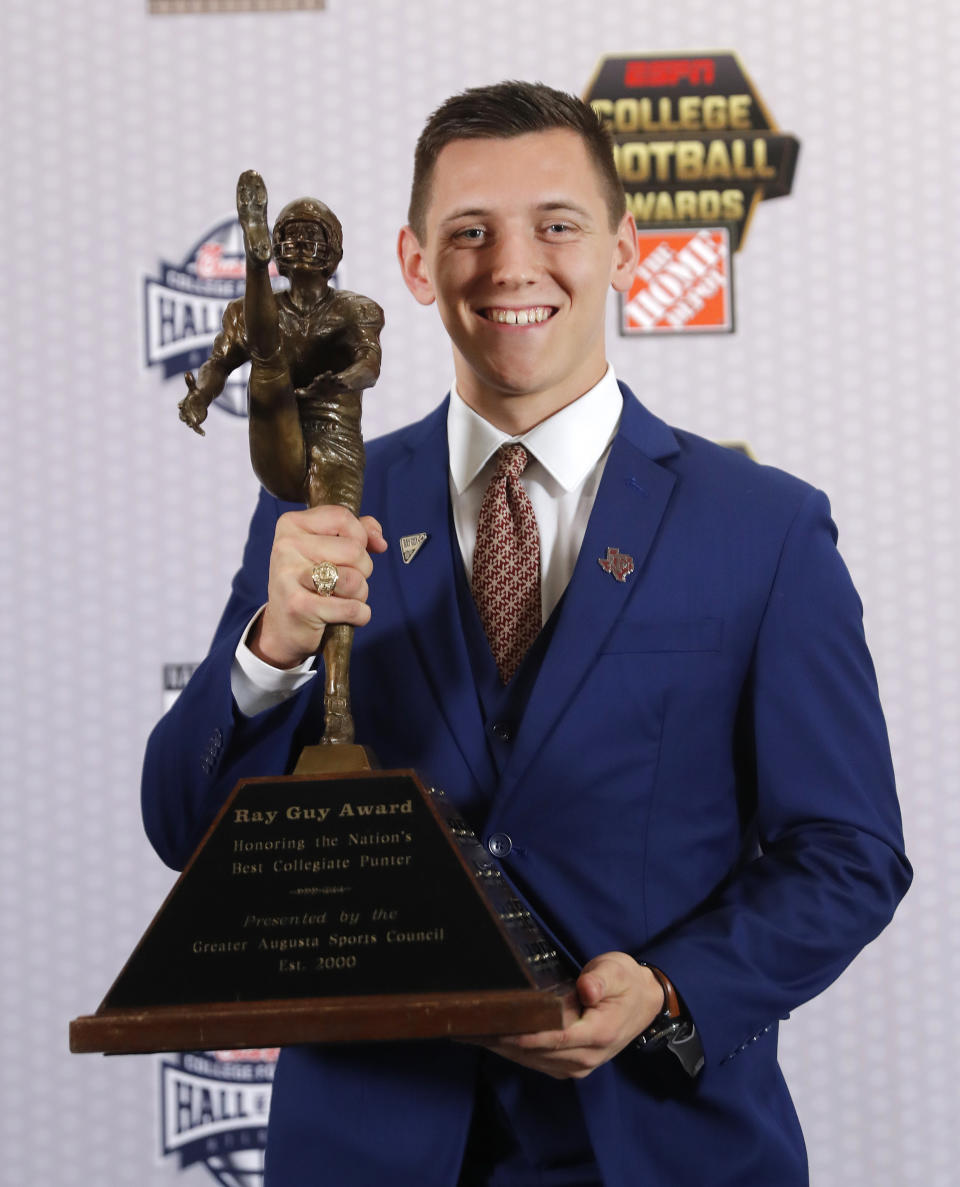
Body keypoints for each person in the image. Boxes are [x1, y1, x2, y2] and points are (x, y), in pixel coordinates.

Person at [142, 81, 911, 1186]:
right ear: (414, 264)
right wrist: (271, 649)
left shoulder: (766, 527)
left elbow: (849, 853)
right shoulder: (317, 506)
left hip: (660, 1141)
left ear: (625, 247)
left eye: (556, 224)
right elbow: (183, 826)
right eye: (470, 232)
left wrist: (672, 988)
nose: (513, 266)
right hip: (368, 1148)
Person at [178, 170, 385, 744]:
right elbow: (220, 364)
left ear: (333, 252)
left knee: (339, 567)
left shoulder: (355, 310)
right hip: (276, 428)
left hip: (335, 438)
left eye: (314, 237)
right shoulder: (246, 316)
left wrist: (336, 381)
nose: (303, 246)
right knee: (265, 361)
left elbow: (370, 363)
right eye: (289, 238)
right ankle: (251, 259)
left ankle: (337, 710)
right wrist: (200, 395)